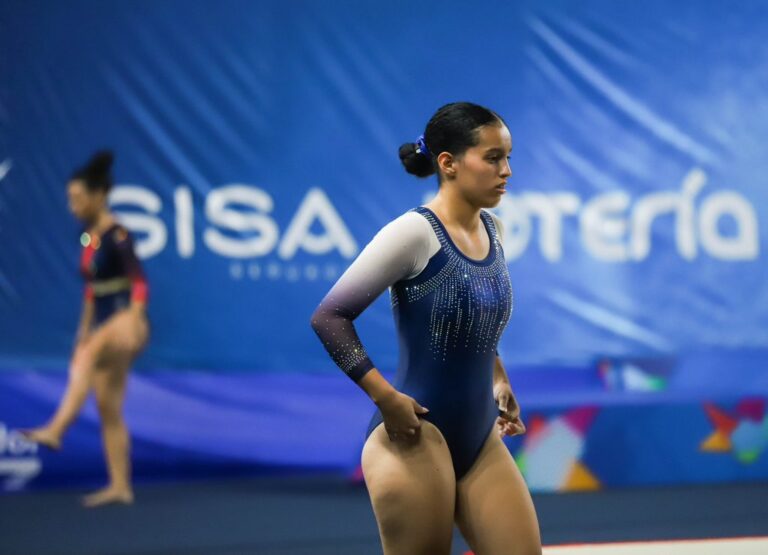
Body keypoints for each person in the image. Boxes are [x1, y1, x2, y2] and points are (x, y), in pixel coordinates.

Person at [311, 102, 541, 554]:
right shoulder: (414, 233)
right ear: (448, 163)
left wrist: (498, 378)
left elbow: (474, 323)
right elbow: (329, 318)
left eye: (509, 157)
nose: (507, 171)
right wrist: (385, 397)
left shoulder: (493, 230)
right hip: (414, 438)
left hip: (480, 437)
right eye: (493, 158)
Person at [23, 151, 149, 507]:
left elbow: (139, 281)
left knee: (87, 354)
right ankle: (120, 485)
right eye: (69, 198)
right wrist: (84, 327)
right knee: (108, 406)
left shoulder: (118, 235)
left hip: (127, 319)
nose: (72, 205)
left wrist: (136, 319)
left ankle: (56, 429)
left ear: (99, 196)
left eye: (78, 198)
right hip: (102, 321)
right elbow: (91, 289)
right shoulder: (86, 237)